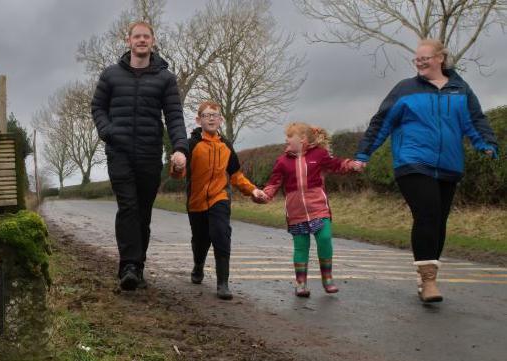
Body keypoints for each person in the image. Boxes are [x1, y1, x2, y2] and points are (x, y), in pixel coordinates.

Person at [353, 39, 498, 303]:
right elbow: (381, 121)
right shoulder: (405, 89)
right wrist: (364, 154)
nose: (420, 62)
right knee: (428, 214)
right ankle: (429, 281)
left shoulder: (460, 88)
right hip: (413, 162)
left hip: (449, 164)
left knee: (439, 220)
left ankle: (425, 274)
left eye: (425, 57)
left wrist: (485, 143)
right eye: (416, 59)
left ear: (440, 58)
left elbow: (475, 120)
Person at [91, 21, 189, 291]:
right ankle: (128, 266)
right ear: (128, 40)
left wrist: (180, 148)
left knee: (143, 212)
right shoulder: (110, 75)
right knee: (128, 207)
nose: (142, 40)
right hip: (119, 151)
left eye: (146, 36)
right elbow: (97, 107)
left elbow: (174, 116)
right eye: (137, 36)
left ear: (153, 41)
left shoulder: (165, 78)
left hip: (149, 153)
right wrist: (108, 132)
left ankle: (138, 265)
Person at [170, 101, 267, 299]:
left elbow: (236, 176)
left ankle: (223, 283)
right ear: (199, 120)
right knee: (200, 240)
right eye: (206, 115)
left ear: (221, 120)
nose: (211, 118)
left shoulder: (227, 146)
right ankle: (198, 265)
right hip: (196, 202)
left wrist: (253, 191)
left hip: (220, 197)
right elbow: (179, 175)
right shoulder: (192, 145)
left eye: (215, 115)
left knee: (221, 233)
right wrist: (177, 167)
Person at [260, 123, 363, 297]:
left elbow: (336, 164)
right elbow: (274, 183)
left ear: (302, 139)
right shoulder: (282, 161)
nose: (286, 140)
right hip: (296, 212)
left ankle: (328, 279)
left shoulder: (319, 154)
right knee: (301, 247)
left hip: (318, 208)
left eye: (289, 136)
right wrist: (263, 195)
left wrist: (351, 165)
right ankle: (301, 284)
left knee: (324, 238)